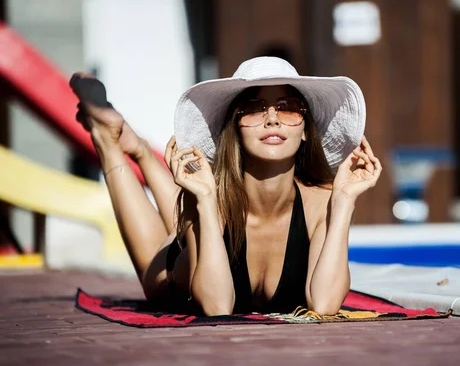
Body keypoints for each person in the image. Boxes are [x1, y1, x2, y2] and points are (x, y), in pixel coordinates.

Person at [70, 56, 381, 316]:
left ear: (305, 132)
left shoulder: (321, 202)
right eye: (256, 108)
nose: (272, 119)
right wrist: (204, 199)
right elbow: (217, 307)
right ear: (235, 128)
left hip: (218, 209)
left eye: (288, 107)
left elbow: (324, 305)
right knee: (165, 268)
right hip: (173, 276)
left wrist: (344, 201)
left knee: (206, 201)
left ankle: (139, 148)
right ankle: (110, 141)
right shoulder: (210, 199)